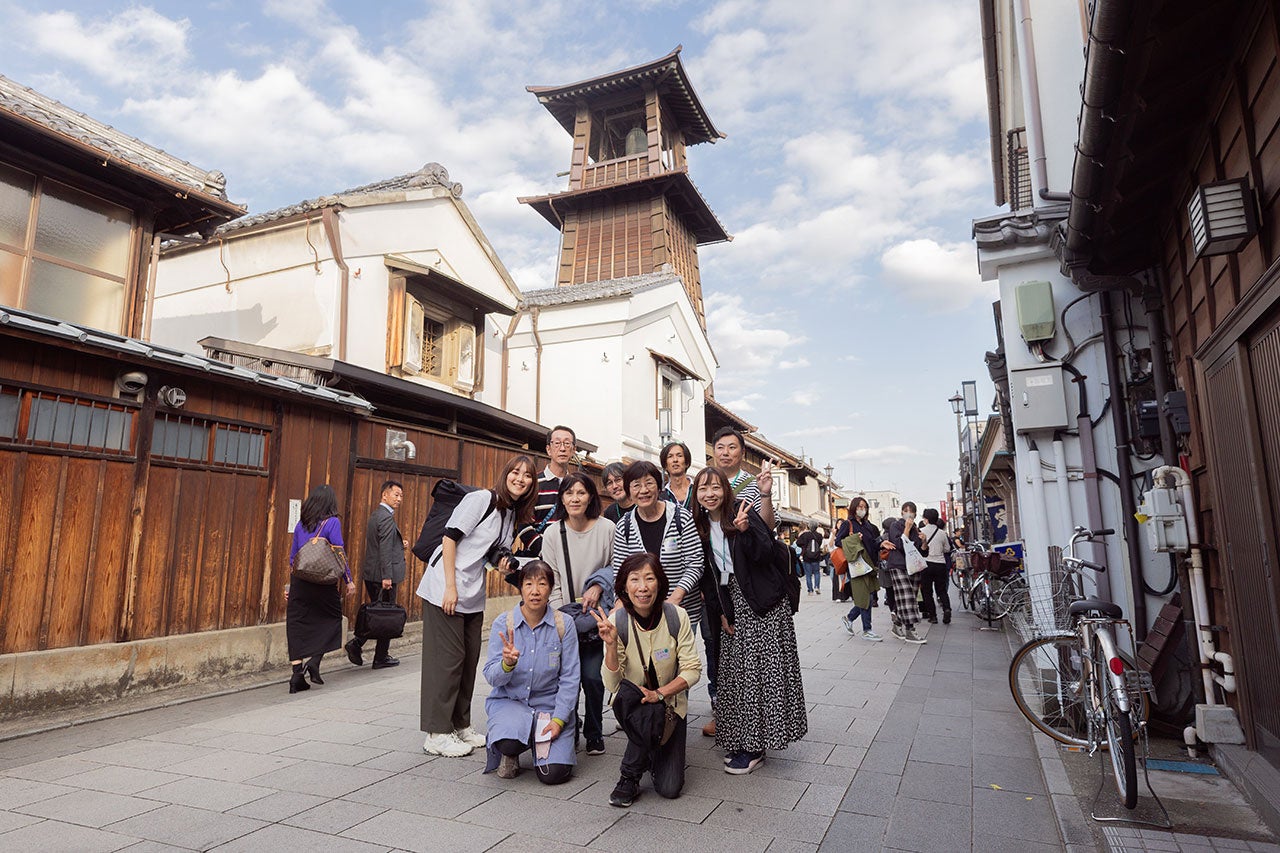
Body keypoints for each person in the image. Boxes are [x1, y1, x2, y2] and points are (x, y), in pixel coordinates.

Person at [417, 456, 537, 757]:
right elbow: (449, 539)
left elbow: (489, 553)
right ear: (505, 474)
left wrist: (502, 562)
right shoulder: (482, 499)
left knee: (469, 659)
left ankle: (460, 725)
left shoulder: (510, 514)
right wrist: (450, 586)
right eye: (515, 472)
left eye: (527, 476)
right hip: (446, 587)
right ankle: (436, 732)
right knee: (448, 660)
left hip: (472, 592)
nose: (520, 479)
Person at [692, 467, 807, 774]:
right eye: (703, 488)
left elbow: (766, 552)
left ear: (725, 489)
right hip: (734, 603)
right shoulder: (701, 525)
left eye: (715, 487)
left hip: (763, 602)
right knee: (737, 674)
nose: (710, 494)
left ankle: (755, 747)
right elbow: (711, 577)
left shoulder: (741, 512)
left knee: (760, 674)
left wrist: (745, 531)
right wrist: (722, 612)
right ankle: (744, 738)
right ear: (696, 494)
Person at [592, 553, 701, 807]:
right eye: (635, 579)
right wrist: (610, 646)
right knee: (646, 716)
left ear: (660, 583)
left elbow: (693, 669)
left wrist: (659, 694)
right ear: (624, 587)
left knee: (669, 788)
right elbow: (612, 684)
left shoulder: (677, 616)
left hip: (670, 706)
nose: (643, 587)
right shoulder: (616, 621)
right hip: (634, 707)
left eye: (649, 579)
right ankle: (629, 776)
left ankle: (653, 751)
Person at [482, 561, 580, 784]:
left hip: (549, 706)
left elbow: (570, 678)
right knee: (509, 742)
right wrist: (506, 664)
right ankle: (511, 750)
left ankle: (544, 741)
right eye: (528, 584)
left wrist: (559, 720)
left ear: (551, 588)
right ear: (520, 588)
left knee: (553, 775)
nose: (535, 591)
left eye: (542, 584)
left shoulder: (564, 624)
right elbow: (491, 677)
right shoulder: (503, 623)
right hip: (511, 702)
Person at [541, 472, 616, 756]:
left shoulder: (607, 529)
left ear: (591, 497)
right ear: (561, 498)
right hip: (564, 617)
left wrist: (598, 585)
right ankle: (569, 728)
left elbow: (618, 567)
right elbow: (551, 579)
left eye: (581, 492)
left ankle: (594, 732)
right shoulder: (553, 533)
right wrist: (561, 619)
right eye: (569, 493)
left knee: (593, 677)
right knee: (566, 678)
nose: (575, 498)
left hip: (597, 617)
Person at [286, 485, 356, 693]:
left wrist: (292, 584)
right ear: (330, 503)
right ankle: (314, 661)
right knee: (333, 619)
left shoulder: (301, 524)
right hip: (323, 582)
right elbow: (339, 553)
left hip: (300, 580)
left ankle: (297, 675)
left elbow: (293, 557)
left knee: (296, 623)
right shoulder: (332, 522)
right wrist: (348, 579)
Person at [345, 480, 407, 670]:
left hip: (373, 573)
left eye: (401, 496)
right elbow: (384, 549)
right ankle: (376, 654)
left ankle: (365, 647)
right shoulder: (386, 518)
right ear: (384, 495)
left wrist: (400, 544)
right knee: (385, 615)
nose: (399, 499)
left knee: (378, 613)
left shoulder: (376, 515)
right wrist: (387, 576)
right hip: (382, 576)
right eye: (396, 495)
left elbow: (382, 544)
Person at [515, 425, 576, 556]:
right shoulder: (534, 483)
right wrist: (545, 552)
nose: (562, 448)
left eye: (567, 443)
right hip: (541, 558)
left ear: (573, 450)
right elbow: (523, 524)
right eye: (557, 443)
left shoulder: (577, 486)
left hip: (572, 556)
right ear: (548, 449)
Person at [710, 427, 776, 528]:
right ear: (714, 452)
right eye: (720, 447)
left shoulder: (755, 485)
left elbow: (768, 527)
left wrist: (765, 494)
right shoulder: (704, 483)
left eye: (732, 447)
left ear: (743, 452)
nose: (725, 453)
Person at [839, 496, 883, 642]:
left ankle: (849, 618)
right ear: (853, 508)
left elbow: (872, 543)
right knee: (867, 596)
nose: (862, 509)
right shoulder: (848, 524)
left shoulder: (867, 525)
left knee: (867, 595)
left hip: (869, 564)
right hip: (857, 564)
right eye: (859, 506)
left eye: (864, 506)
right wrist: (854, 538)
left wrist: (882, 544)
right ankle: (867, 630)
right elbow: (839, 541)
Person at [884, 502, 928, 644]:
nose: (909, 514)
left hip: (913, 566)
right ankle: (910, 630)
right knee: (907, 596)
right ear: (902, 512)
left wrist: (924, 541)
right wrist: (907, 529)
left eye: (912, 511)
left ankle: (897, 625)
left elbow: (922, 552)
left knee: (908, 598)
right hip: (898, 565)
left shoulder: (916, 528)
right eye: (906, 511)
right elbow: (900, 545)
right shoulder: (895, 526)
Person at [918, 507, 953, 625]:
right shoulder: (942, 533)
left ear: (926, 519)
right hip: (940, 564)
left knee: (927, 592)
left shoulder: (920, 531)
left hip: (925, 564)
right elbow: (947, 549)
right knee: (941, 590)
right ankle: (947, 609)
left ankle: (933, 616)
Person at [659, 441, 694, 510]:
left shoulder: (698, 490)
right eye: (670, 456)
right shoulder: (661, 497)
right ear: (665, 465)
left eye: (679, 455)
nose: (675, 460)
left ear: (687, 462)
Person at [795, 522, 825, 596]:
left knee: (808, 574)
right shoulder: (819, 535)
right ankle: (817, 587)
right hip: (816, 556)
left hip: (807, 556)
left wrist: (803, 546)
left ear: (808, 527)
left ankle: (810, 590)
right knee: (817, 573)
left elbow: (798, 543)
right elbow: (820, 544)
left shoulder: (805, 535)